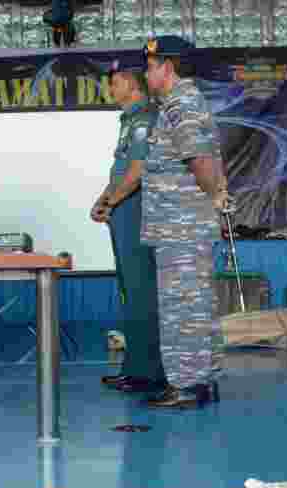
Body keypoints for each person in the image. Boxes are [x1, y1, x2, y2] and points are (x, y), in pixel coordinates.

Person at [137, 35, 227, 408]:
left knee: (182, 310)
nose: (146, 74)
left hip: (181, 227)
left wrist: (214, 195)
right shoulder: (184, 102)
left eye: (150, 66)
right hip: (184, 225)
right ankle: (202, 381)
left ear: (167, 67)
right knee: (198, 307)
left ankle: (187, 386)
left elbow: (199, 160)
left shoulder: (180, 104)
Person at [92, 62, 166, 394]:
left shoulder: (144, 118)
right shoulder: (128, 121)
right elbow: (122, 170)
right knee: (129, 292)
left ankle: (149, 372)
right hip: (123, 212)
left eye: (114, 83)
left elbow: (137, 172)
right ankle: (135, 367)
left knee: (141, 292)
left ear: (129, 84)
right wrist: (104, 198)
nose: (111, 89)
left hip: (136, 213)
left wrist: (113, 200)